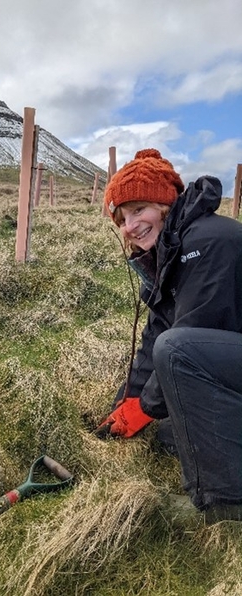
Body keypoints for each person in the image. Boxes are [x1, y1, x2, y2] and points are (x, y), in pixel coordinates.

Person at [95, 148, 242, 524]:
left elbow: (187, 339)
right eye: (122, 219)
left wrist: (144, 407)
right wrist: (125, 402)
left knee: (177, 352)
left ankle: (224, 503)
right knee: (170, 430)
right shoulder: (173, 251)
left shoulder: (205, 243)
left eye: (138, 210)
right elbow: (155, 333)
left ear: (163, 204)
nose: (130, 226)